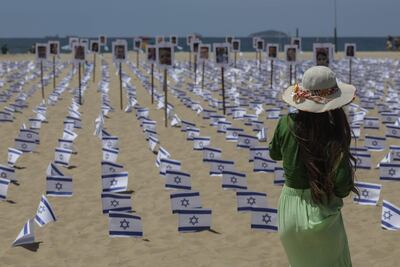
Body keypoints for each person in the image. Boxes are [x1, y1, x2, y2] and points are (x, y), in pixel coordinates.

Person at [269, 66, 358, 267]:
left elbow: (273, 153)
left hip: (288, 213)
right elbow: (343, 187)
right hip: (320, 211)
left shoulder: (284, 123)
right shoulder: (333, 134)